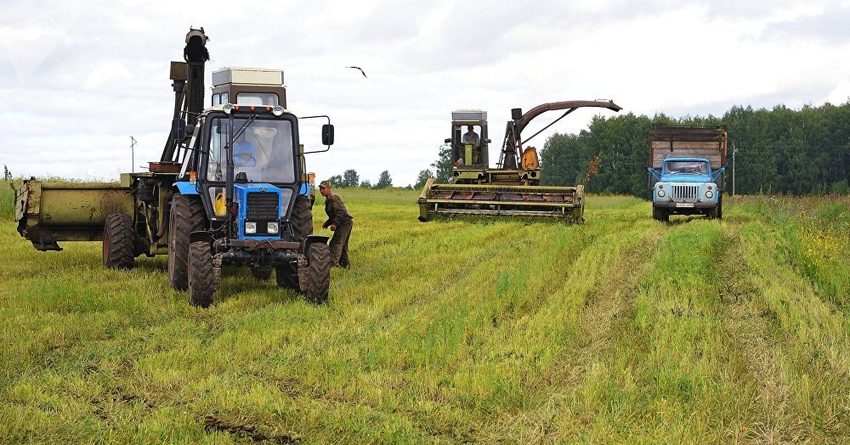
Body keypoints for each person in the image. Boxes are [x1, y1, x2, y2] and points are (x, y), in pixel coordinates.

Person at [319, 180, 353, 268]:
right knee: (342, 245)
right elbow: (334, 214)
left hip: (344, 223)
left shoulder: (332, 198)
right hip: (345, 222)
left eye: (323, 188)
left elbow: (341, 212)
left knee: (335, 244)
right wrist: (328, 223)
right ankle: (345, 265)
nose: (321, 191)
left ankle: (333, 265)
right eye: (320, 189)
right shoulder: (329, 199)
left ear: (329, 188)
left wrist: (335, 224)